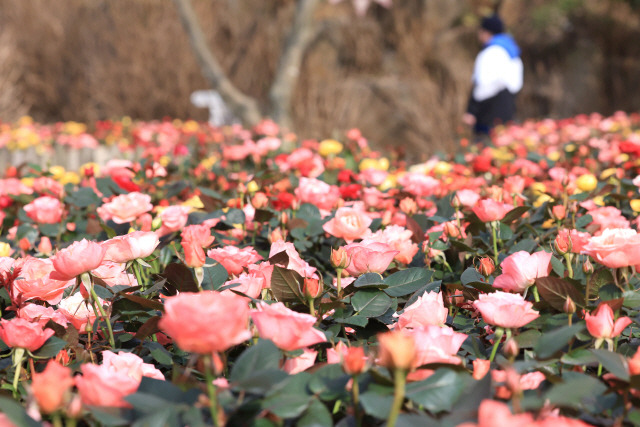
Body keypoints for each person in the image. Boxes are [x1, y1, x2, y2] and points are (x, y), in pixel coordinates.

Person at [463, 14, 523, 136]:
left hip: (488, 113)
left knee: (483, 150)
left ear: (486, 32)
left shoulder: (490, 52)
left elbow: (482, 85)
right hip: (508, 109)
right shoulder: (512, 51)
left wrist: (472, 111)